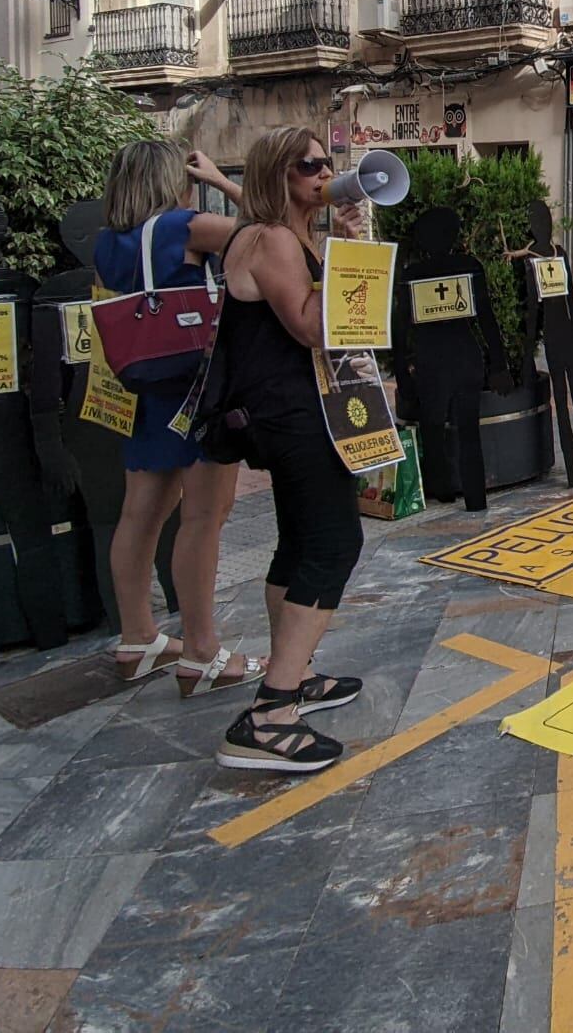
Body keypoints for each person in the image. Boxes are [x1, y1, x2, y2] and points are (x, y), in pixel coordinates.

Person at [199, 128, 367, 774]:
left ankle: (291, 676)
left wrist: (342, 243)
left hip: (301, 408)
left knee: (298, 543)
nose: (324, 174)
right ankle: (270, 713)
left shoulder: (290, 235)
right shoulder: (268, 238)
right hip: (293, 414)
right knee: (333, 543)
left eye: (328, 164)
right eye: (310, 167)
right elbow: (309, 323)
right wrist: (350, 252)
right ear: (279, 175)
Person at [94, 140, 263, 696]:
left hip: (145, 389)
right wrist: (222, 180)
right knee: (204, 518)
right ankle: (202, 651)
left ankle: (138, 638)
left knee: (140, 514)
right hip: (197, 389)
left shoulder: (109, 244)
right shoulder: (184, 227)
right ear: (169, 179)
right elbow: (264, 232)